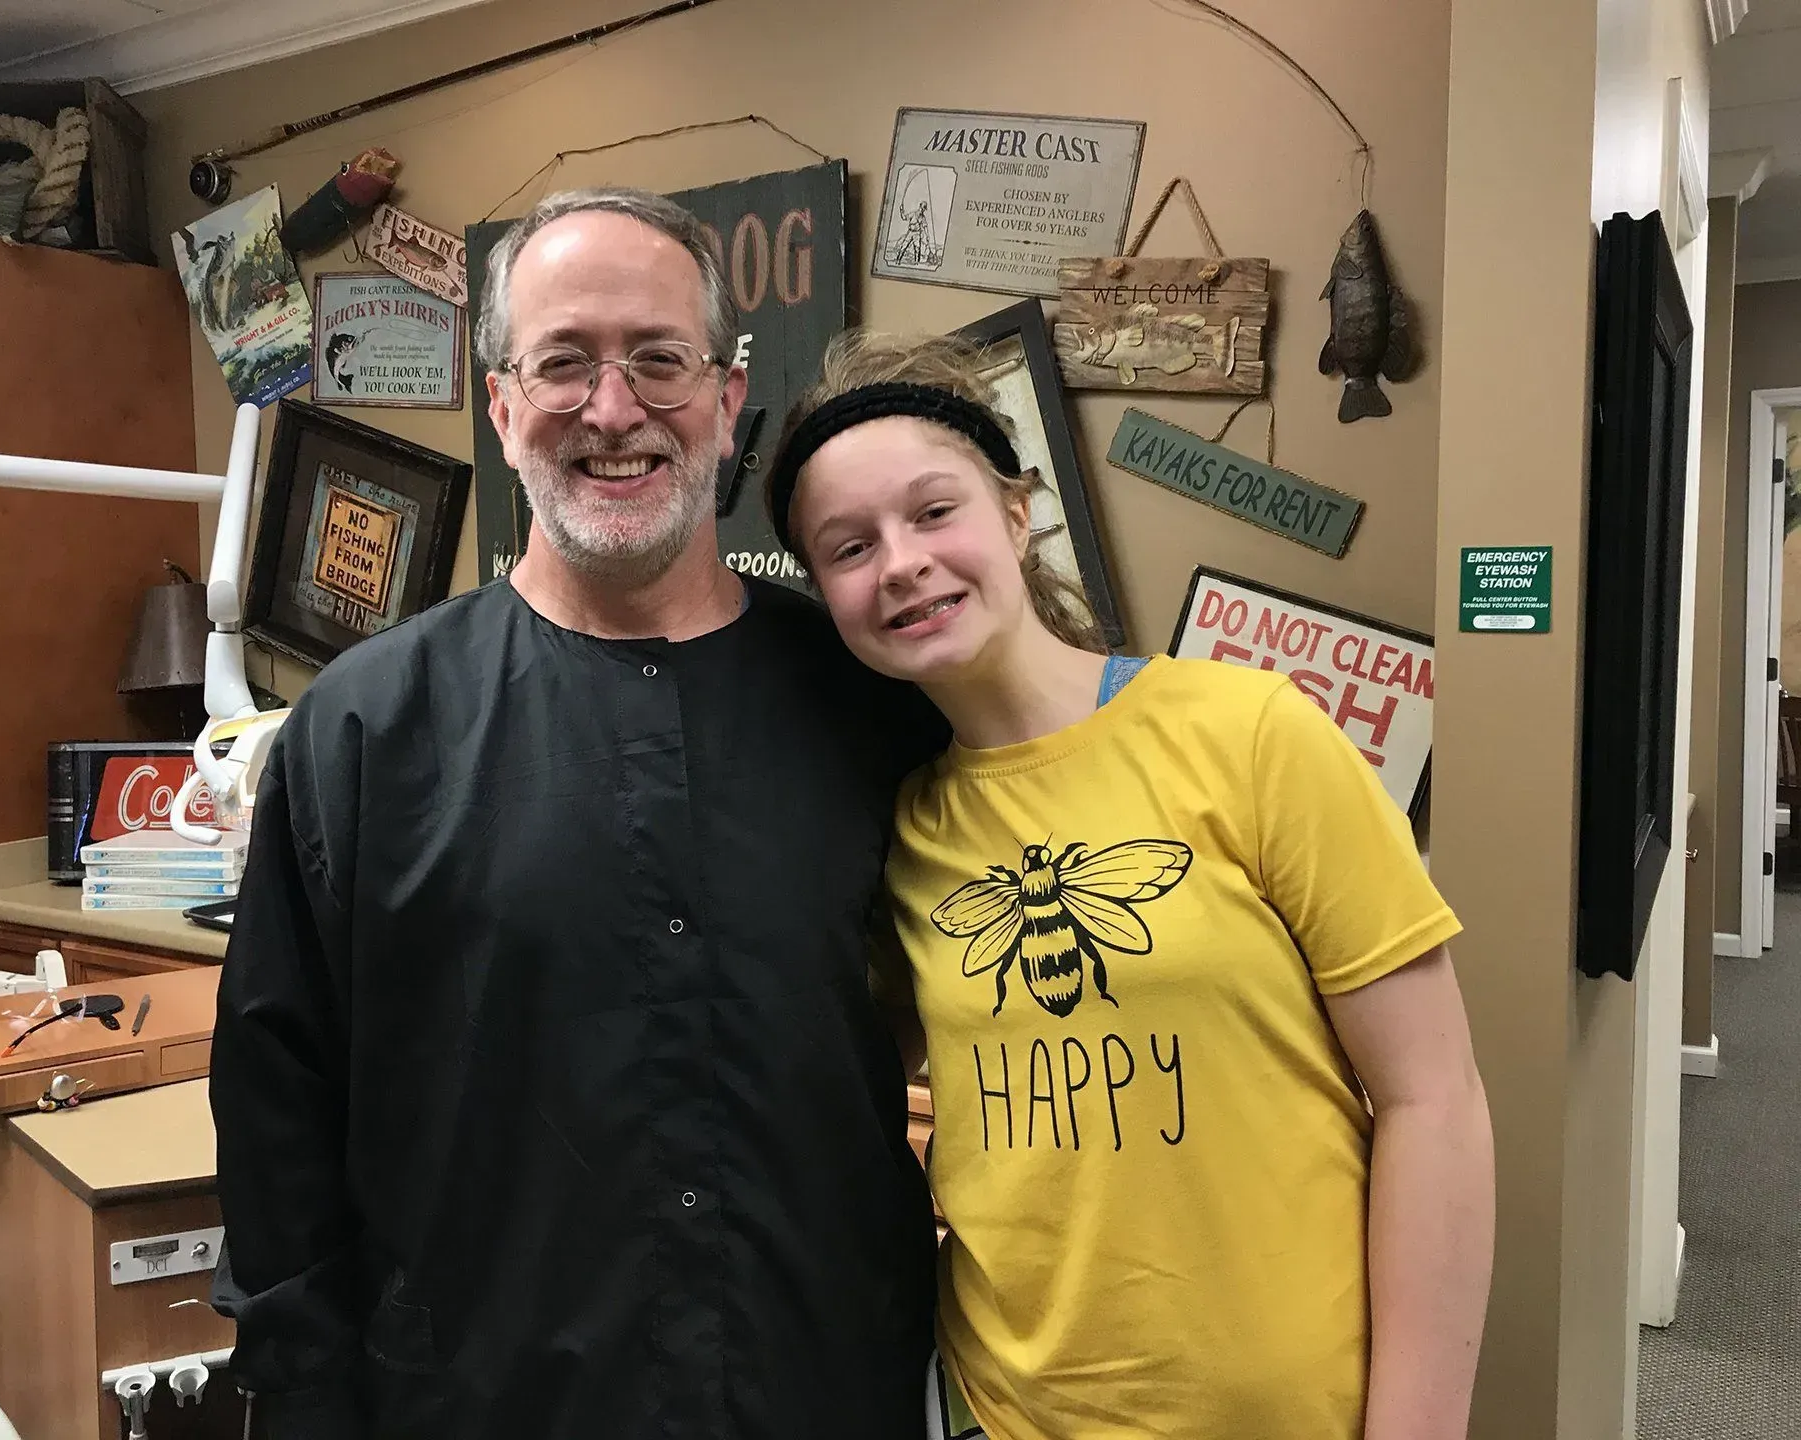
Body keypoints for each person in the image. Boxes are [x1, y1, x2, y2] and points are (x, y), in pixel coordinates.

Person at [208, 191, 945, 1440]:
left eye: (659, 359)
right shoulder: (364, 731)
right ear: (502, 408)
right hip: (482, 1406)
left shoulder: (871, 704)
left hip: (826, 1391)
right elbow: (279, 1121)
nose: (613, 410)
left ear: (727, 395)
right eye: (563, 364)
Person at [766, 331, 1497, 1440]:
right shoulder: (898, 833)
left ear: (1018, 514)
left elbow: (1432, 1100)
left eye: (934, 511)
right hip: (1003, 1412)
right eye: (849, 547)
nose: (901, 562)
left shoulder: (1249, 733)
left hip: (1289, 1413)